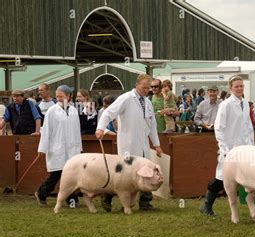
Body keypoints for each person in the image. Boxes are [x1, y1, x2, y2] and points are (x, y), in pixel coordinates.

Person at [96, 74, 163, 212]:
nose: (146, 90)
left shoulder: (148, 102)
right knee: (123, 176)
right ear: (136, 85)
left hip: (143, 145)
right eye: (144, 87)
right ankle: (107, 196)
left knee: (147, 173)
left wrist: (156, 145)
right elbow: (109, 113)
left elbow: (152, 126)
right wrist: (100, 128)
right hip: (128, 144)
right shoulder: (126, 98)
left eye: (148, 88)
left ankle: (145, 203)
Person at [199, 75, 255, 217]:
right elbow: (219, 127)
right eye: (236, 86)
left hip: (244, 147)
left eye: (241, 86)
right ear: (230, 88)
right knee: (222, 176)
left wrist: (251, 145)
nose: (239, 88)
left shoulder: (246, 104)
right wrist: (224, 148)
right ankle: (206, 204)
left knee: (252, 175)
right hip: (229, 147)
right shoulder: (226, 105)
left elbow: (248, 126)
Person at [35, 85, 82, 207]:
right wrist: (42, 148)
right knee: (55, 174)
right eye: (57, 96)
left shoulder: (74, 111)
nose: (59, 98)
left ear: (68, 96)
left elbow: (77, 131)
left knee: (70, 175)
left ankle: (71, 200)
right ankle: (41, 194)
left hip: (71, 148)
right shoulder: (52, 111)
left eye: (61, 96)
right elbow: (46, 131)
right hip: (56, 148)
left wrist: (78, 148)